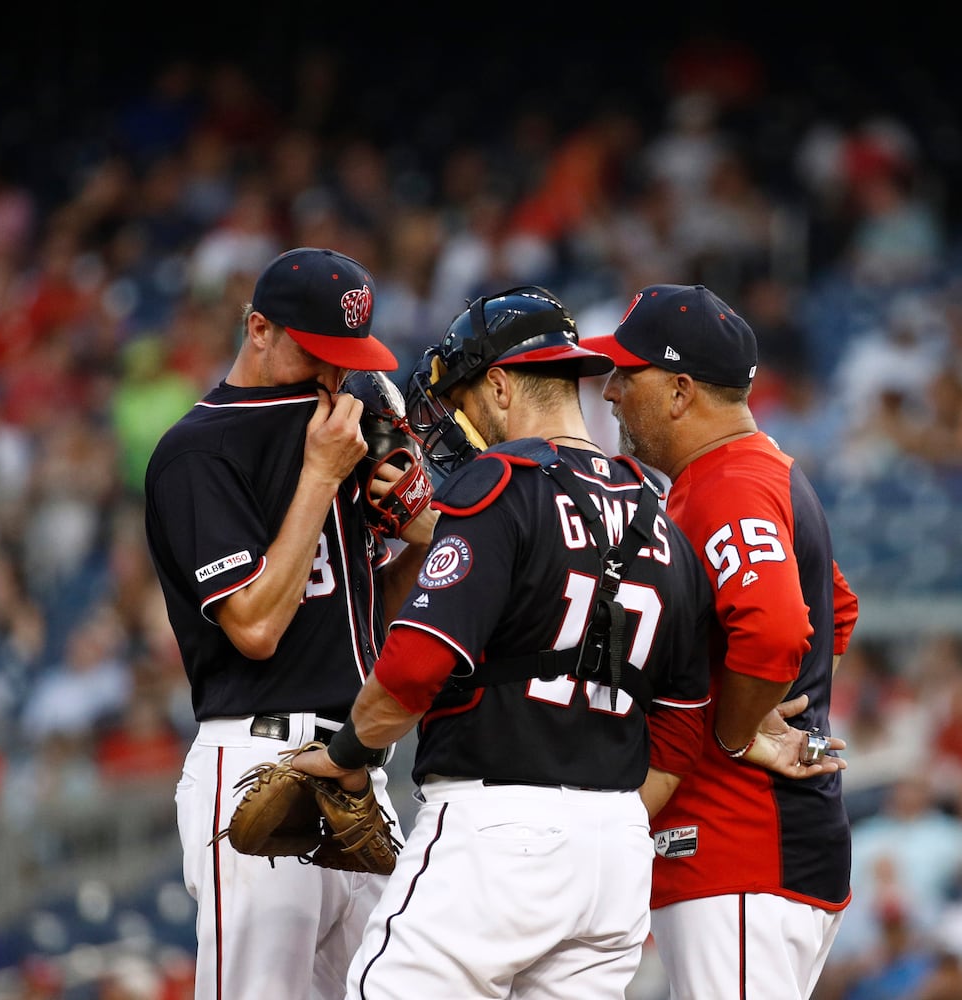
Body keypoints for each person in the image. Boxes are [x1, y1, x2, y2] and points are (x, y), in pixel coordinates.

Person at [288, 286, 835, 996]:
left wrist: (347, 755)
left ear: (498, 384)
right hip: (614, 852)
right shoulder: (660, 512)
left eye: (462, 397)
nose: (454, 418)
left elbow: (416, 663)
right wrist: (597, 821)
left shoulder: (496, 484)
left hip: (500, 826)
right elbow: (680, 722)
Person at [143, 247, 437, 1000]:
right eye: (318, 353)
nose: (333, 374)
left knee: (407, 982)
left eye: (347, 357)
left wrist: (418, 536)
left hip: (352, 761)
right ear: (259, 329)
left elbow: (374, 618)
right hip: (255, 765)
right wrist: (320, 478)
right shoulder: (198, 450)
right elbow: (255, 627)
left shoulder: (344, 429)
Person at [584, 282, 862, 998]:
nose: (611, 392)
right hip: (758, 848)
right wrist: (773, 698)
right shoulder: (752, 472)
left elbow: (776, 632)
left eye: (627, 372)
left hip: (740, 838)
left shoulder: (726, 483)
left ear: (680, 391)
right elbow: (835, 613)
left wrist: (739, 730)